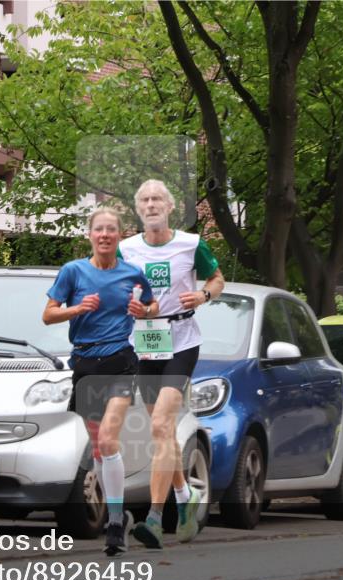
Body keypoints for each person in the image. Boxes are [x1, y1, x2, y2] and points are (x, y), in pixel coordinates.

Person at [43, 208, 156, 557]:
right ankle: (118, 512)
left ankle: (116, 522)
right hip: (85, 363)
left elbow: (152, 306)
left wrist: (144, 311)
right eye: (99, 230)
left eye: (111, 230)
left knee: (109, 439)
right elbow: (48, 314)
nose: (105, 235)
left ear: (119, 236)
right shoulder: (73, 271)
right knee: (98, 449)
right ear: (90, 235)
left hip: (120, 362)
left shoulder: (132, 274)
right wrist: (77, 310)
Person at [120, 179, 225, 549]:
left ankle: (153, 516)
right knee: (161, 433)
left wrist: (203, 294)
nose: (151, 205)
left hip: (181, 341)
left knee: (162, 424)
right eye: (145, 200)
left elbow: (217, 278)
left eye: (157, 200)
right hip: (145, 342)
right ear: (138, 209)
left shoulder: (191, 245)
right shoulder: (126, 249)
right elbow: (119, 287)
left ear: (169, 207)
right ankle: (185, 496)